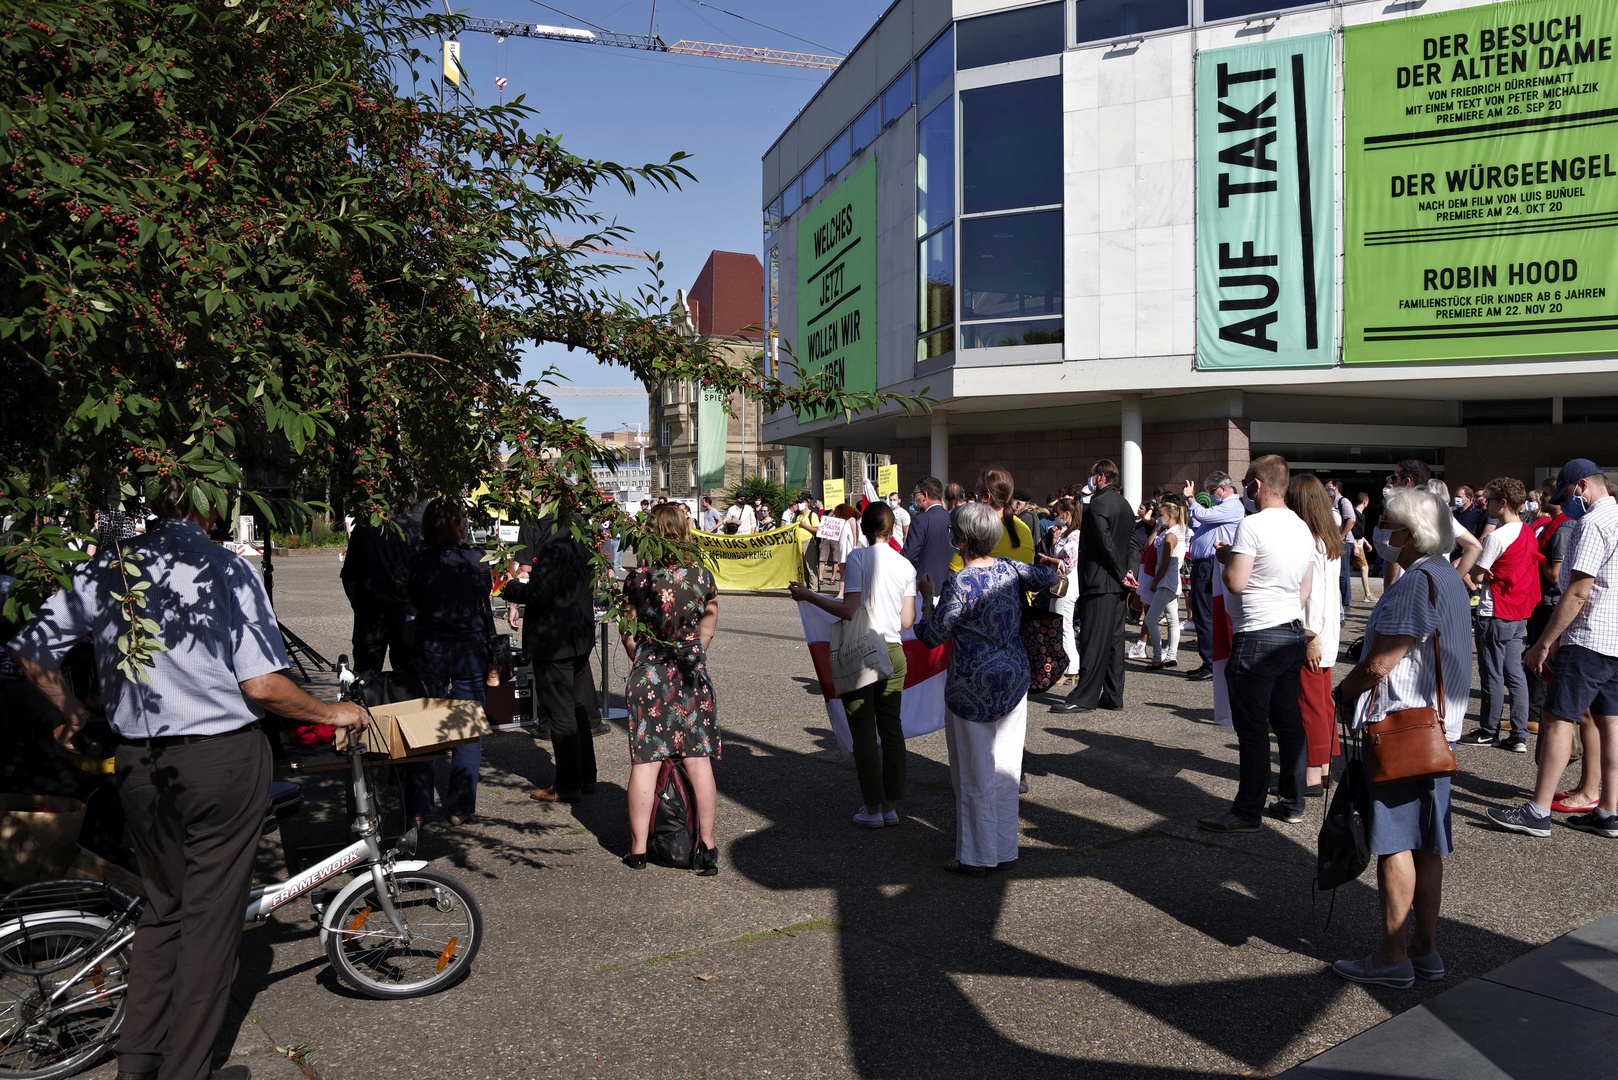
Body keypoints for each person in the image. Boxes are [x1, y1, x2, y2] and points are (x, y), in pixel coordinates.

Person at [8, 477, 369, 1080]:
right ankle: (187, 1071)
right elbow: (261, 685)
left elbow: (31, 651)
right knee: (208, 923)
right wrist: (333, 710)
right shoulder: (224, 569)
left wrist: (69, 708)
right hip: (220, 759)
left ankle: (140, 1062)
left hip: (142, 764)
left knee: (164, 909)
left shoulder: (111, 570)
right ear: (213, 508)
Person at [1328, 485, 1471, 988]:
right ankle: (1424, 949)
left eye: (1389, 523)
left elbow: (1383, 661)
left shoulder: (1415, 582)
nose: (1382, 531)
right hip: (1437, 731)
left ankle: (1392, 957)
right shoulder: (1448, 577)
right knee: (1428, 846)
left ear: (1410, 535)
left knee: (1396, 847)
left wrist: (1341, 694)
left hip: (1403, 729)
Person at [915, 502, 1059, 875]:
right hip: (1014, 676)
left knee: (974, 773)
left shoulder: (960, 582)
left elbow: (932, 636)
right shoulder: (1011, 568)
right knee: (1007, 769)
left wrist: (927, 604)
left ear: (962, 539)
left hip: (971, 685)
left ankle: (977, 857)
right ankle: (1003, 848)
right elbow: (1051, 577)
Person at [1489, 460, 1618, 839]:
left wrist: (1544, 642)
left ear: (1582, 486)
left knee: (1558, 719)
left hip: (1589, 638)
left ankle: (1538, 810)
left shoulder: (1593, 523)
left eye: (1566, 495)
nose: (1564, 503)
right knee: (1611, 725)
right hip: (1614, 638)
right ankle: (1609, 810)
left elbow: (1578, 590)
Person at [1198, 455, 1315, 833]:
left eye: (1247, 483)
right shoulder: (1301, 526)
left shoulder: (1252, 525)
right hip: (1290, 629)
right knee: (1288, 723)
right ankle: (1292, 801)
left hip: (1257, 634)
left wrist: (1225, 557)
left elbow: (1235, 581)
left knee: (1252, 729)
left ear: (1258, 485)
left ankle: (1247, 810)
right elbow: (1305, 588)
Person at [792, 502, 916, 827]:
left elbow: (849, 610)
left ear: (863, 528)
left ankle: (872, 810)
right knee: (892, 730)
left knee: (863, 733)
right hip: (894, 652)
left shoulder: (859, 558)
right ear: (892, 530)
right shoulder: (906, 566)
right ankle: (890, 806)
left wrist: (810, 597)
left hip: (863, 651)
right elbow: (907, 620)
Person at [618, 505, 722, 874]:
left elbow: (628, 631)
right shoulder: (701, 577)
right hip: (691, 670)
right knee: (698, 760)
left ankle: (639, 849)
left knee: (645, 762)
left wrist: (642, 657)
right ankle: (707, 847)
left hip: (650, 672)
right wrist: (696, 650)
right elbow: (709, 620)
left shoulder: (638, 579)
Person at [405, 497, 496, 827]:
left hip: (432, 642)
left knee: (424, 726)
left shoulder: (419, 562)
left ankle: (419, 806)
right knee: (467, 727)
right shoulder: (477, 559)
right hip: (469, 643)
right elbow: (483, 599)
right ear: (460, 523)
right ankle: (460, 806)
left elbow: (413, 598)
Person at [503, 505, 598, 803]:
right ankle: (585, 775)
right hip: (577, 632)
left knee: (561, 711)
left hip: (556, 638)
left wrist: (511, 590)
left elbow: (541, 593)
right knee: (576, 705)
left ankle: (569, 783)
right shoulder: (581, 531)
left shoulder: (558, 541)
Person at [1457, 477, 1539, 753]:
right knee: (1515, 673)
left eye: (1489, 499)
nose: (1485, 503)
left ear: (1502, 502)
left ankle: (1488, 730)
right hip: (1518, 611)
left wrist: (1484, 574)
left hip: (1495, 611)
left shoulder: (1496, 536)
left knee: (1491, 673)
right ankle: (1519, 733)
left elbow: (1477, 574)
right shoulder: (1527, 531)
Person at [1054, 459, 1137, 715]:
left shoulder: (1100, 503)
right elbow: (1133, 543)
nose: (1090, 479)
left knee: (1092, 641)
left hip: (1101, 581)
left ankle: (1084, 697)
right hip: (1117, 583)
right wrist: (1130, 571)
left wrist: (1123, 573)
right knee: (1113, 643)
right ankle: (1113, 695)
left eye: (1092, 475)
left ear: (1101, 477)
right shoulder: (1124, 504)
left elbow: (1104, 543)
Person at [1289, 474, 1342, 795]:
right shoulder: (1327, 539)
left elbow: (1313, 597)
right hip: (1326, 632)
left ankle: (1311, 774)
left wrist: (1309, 637)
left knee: (1309, 705)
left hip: (1313, 635)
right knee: (1322, 703)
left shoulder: (1310, 542)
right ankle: (1322, 767)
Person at [341, 497, 425, 675]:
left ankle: (364, 702)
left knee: (365, 675)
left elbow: (349, 576)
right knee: (408, 676)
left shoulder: (364, 528)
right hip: (405, 612)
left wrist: (358, 606)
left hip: (371, 612)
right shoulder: (415, 530)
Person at [1183, 472, 1243, 682]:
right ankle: (1208, 661)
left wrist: (1191, 499)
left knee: (1205, 614)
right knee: (1203, 613)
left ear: (1223, 488)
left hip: (1210, 564)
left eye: (1212, 491)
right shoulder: (1222, 508)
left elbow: (1204, 516)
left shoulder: (1232, 505)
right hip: (1205, 564)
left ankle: (1210, 662)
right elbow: (1202, 523)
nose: (1211, 496)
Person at [949, 469, 1034, 571]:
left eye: (976, 495)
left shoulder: (976, 527)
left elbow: (953, 576)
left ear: (986, 497)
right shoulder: (1024, 528)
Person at [1142, 500, 1188, 669]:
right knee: (1172, 619)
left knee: (1151, 618)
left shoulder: (1171, 535)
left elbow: (1165, 563)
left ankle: (1157, 657)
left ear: (1169, 516)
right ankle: (1171, 655)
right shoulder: (1172, 532)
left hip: (1166, 582)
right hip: (1170, 581)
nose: (1158, 518)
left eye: (1160, 516)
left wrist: (1155, 582)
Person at [1044, 498, 1083, 686]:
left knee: (1064, 626)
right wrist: (1054, 541)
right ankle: (1067, 665)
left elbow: (1068, 565)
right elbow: (1057, 554)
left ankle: (1072, 667)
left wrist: (1048, 560)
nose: (1055, 517)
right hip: (1059, 585)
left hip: (1067, 587)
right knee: (1059, 625)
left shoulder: (1075, 535)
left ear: (1066, 514)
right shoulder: (1067, 533)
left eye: (1057, 513)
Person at [902, 476, 953, 592]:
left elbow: (908, 555)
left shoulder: (920, 520)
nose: (914, 499)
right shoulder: (953, 518)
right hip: (949, 585)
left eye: (915, 495)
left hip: (925, 586)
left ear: (924, 495)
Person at [1326, 479, 1357, 614]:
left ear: (1336, 488)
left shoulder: (1343, 501)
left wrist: (1340, 536)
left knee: (1343, 573)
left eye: (1329, 487)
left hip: (1343, 542)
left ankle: (1346, 602)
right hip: (1336, 541)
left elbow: (1352, 519)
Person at [793, 497, 823, 588]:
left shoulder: (812, 515)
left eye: (800, 503)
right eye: (797, 503)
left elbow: (817, 529)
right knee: (802, 567)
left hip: (808, 542)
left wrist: (805, 526)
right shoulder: (797, 515)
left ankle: (814, 587)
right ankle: (804, 587)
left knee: (810, 566)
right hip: (798, 543)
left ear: (806, 503)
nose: (798, 505)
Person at [1350, 491, 1375, 602]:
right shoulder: (1355, 515)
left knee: (1348, 569)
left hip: (1358, 544)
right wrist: (1356, 546)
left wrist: (1365, 542)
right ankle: (1367, 594)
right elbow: (1352, 532)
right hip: (1356, 545)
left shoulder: (1357, 514)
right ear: (1365, 502)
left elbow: (1358, 532)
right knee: (1365, 568)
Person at [832, 502, 862, 590]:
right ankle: (841, 593)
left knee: (850, 572)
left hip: (849, 549)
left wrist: (855, 545)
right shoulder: (843, 522)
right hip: (842, 549)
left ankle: (850, 591)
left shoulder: (851, 520)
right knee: (842, 573)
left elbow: (855, 534)